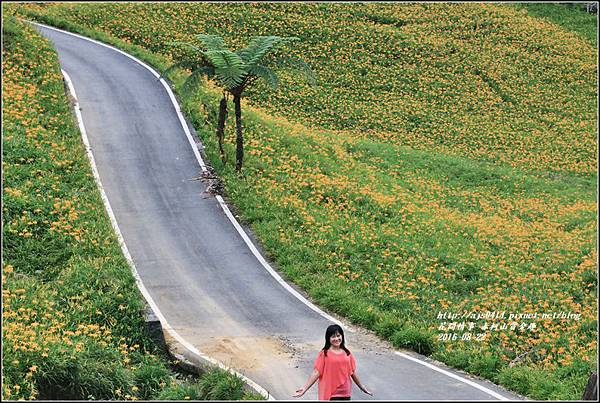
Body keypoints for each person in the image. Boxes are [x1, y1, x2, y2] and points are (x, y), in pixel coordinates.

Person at [294, 324, 373, 400]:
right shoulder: (324, 354)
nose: (336, 339)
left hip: (345, 392)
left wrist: (362, 387)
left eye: (338, 336)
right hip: (330, 393)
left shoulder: (347, 353)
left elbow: (352, 373)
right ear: (328, 338)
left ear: (342, 336)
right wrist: (305, 388)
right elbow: (316, 372)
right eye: (333, 336)